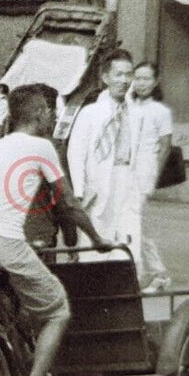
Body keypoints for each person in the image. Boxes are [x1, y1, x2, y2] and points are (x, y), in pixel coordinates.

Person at [0, 85, 109, 376]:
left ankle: (21, 373)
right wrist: (97, 239)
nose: (54, 118)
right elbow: (68, 203)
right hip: (7, 245)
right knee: (57, 310)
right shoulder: (42, 147)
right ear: (40, 112)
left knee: (15, 311)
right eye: (51, 111)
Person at [66, 50, 159, 276]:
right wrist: (79, 189)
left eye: (128, 75)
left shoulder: (138, 112)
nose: (124, 80)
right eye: (118, 74)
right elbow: (75, 152)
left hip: (128, 179)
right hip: (98, 181)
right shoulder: (91, 112)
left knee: (128, 233)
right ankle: (93, 285)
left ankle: (123, 285)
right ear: (106, 78)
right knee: (96, 235)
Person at [130, 61, 174, 291]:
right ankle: (151, 273)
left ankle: (152, 274)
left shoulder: (161, 112)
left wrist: (154, 173)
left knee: (137, 222)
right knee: (135, 223)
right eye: (137, 78)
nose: (140, 83)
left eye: (146, 78)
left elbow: (165, 145)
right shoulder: (127, 105)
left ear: (155, 82)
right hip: (125, 170)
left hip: (145, 169)